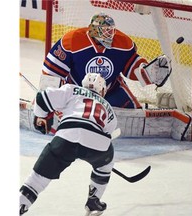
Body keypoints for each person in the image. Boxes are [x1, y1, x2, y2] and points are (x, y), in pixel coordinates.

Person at [19, 73, 118, 216]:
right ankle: (93, 201)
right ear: (102, 90)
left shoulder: (72, 89)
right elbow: (108, 134)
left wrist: (41, 118)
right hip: (97, 144)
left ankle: (20, 203)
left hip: (66, 138)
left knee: (38, 178)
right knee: (105, 164)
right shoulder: (109, 108)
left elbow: (41, 98)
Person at [42, 12, 172, 109]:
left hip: (111, 91)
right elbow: (51, 72)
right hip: (76, 92)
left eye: (110, 30)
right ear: (93, 30)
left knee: (135, 113)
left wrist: (147, 73)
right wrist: (47, 99)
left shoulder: (123, 42)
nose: (109, 34)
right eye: (105, 31)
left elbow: (131, 67)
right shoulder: (72, 40)